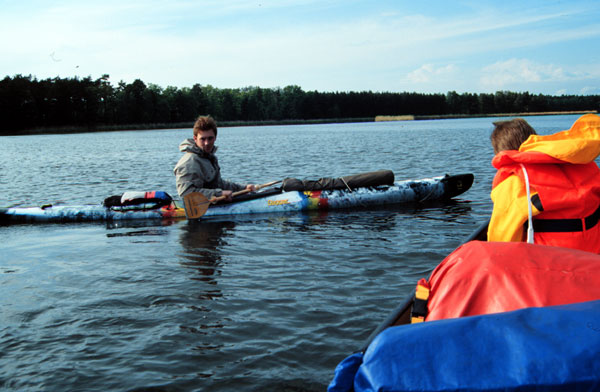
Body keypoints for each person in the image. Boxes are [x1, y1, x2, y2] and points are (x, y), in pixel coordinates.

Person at [487, 113, 600, 253]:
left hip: (551, 262)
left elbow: (502, 239)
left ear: (500, 152)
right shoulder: (584, 165)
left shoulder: (515, 182)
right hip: (593, 253)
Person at [174, 115, 255, 200]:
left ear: (215, 138)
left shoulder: (210, 157)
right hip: (195, 209)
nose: (207, 143)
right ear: (195, 138)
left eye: (210, 138)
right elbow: (186, 193)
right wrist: (219, 194)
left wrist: (244, 188)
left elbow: (219, 184)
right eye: (203, 139)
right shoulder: (189, 162)